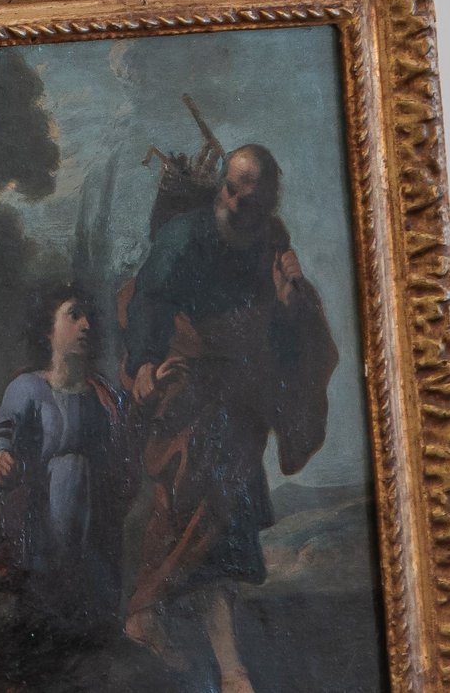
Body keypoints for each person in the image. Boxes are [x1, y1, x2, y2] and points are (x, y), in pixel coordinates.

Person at [117, 142, 339, 693]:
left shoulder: (274, 242)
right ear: (221, 185)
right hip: (185, 384)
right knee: (202, 508)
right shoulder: (186, 235)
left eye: (252, 194)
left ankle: (150, 616)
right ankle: (229, 664)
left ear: (269, 201)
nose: (238, 200)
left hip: (240, 397)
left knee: (212, 512)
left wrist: (290, 304)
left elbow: (286, 332)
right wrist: (145, 361)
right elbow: (147, 298)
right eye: (232, 187)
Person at [0, 283, 136, 635]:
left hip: (96, 535)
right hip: (41, 532)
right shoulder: (28, 389)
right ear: (48, 331)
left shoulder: (103, 396)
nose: (86, 325)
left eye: (89, 317)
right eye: (74, 316)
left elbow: (122, 454)